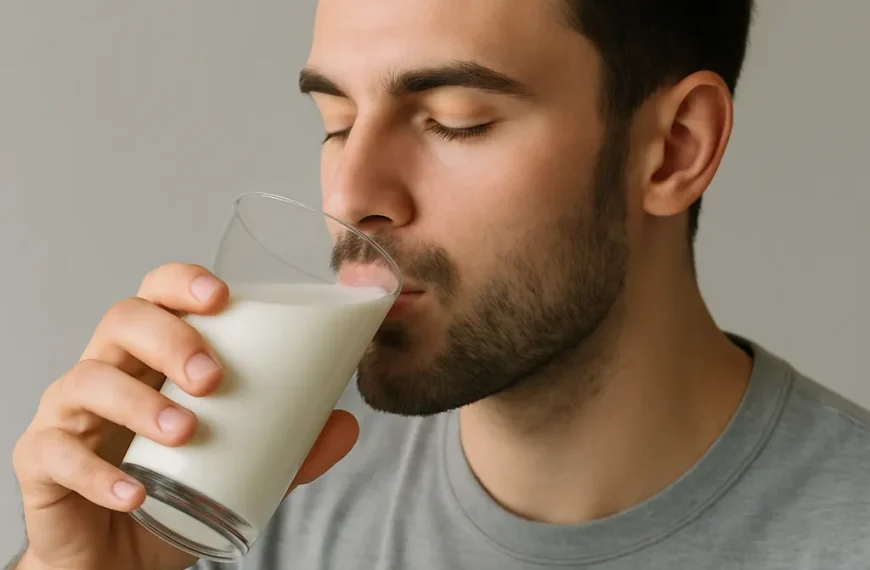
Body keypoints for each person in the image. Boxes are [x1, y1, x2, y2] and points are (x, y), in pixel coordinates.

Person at [9, 0, 870, 568]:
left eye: (457, 123)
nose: (351, 195)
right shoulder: (247, 505)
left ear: (676, 147)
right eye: (336, 123)